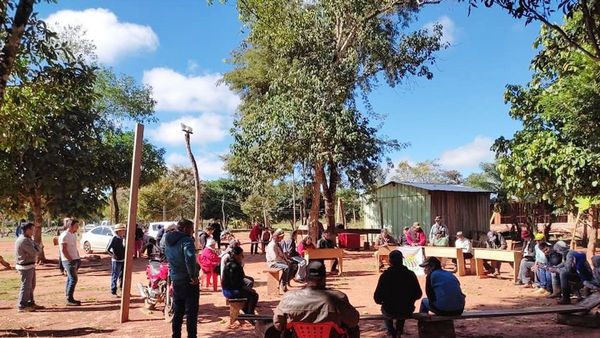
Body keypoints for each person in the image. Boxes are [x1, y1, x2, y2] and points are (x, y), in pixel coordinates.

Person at [273, 261, 360, 338]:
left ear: (306, 278)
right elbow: (353, 321)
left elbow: (278, 325)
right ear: (324, 278)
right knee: (354, 329)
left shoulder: (288, 298)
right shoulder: (338, 298)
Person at [164, 219, 199, 338]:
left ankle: (176, 335)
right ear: (184, 228)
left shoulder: (167, 240)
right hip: (188, 280)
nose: (193, 231)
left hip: (176, 279)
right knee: (191, 312)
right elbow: (189, 257)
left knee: (178, 311)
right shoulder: (186, 240)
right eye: (191, 228)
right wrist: (193, 276)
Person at [374, 251, 422, 338]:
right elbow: (418, 294)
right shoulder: (410, 274)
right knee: (402, 306)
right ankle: (399, 331)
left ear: (390, 261)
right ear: (402, 260)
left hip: (390, 310)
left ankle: (392, 332)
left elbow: (377, 298)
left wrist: (383, 301)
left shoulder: (385, 276)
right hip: (407, 310)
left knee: (386, 310)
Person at [222, 246, 259, 315]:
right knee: (254, 295)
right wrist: (247, 289)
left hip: (226, 289)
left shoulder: (229, 263)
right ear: (236, 255)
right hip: (231, 291)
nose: (242, 257)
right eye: (241, 255)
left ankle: (245, 309)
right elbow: (235, 283)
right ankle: (249, 313)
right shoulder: (235, 266)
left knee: (249, 291)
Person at [15, 222, 42, 312]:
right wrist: (37, 247)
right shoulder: (24, 240)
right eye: (31, 229)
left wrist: (37, 247)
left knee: (31, 286)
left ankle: (30, 302)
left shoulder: (28, 239)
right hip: (25, 267)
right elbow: (35, 252)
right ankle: (22, 305)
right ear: (26, 230)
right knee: (26, 286)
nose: (33, 231)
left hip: (29, 265)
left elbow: (37, 248)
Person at [59, 218, 82, 306]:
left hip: (75, 259)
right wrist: (70, 259)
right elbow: (63, 249)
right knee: (73, 279)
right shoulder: (64, 235)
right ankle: (69, 299)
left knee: (70, 278)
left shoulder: (73, 235)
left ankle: (69, 296)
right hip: (68, 260)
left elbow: (74, 248)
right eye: (76, 226)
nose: (77, 227)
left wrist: (78, 257)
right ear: (70, 226)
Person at [106, 223, 126, 297]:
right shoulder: (114, 238)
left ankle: (122, 289)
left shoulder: (123, 238)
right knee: (115, 276)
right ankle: (113, 291)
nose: (124, 232)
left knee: (122, 276)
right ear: (119, 231)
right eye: (122, 230)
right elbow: (107, 249)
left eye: (124, 230)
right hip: (116, 261)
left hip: (123, 260)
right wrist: (113, 255)